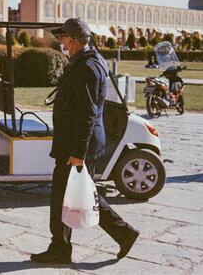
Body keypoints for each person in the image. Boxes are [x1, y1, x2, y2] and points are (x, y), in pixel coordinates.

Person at [31, 17, 139, 265]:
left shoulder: (86, 67)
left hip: (78, 145)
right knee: (79, 195)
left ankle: (65, 247)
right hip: (79, 144)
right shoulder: (89, 61)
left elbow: (87, 114)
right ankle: (67, 245)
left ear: (73, 39)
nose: (61, 42)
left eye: (63, 38)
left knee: (70, 196)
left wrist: (77, 152)